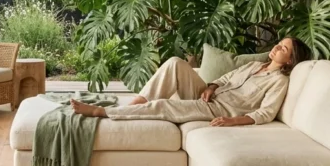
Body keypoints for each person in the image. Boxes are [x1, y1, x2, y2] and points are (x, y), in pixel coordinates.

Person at [70, 37, 312, 127]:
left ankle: (104, 112)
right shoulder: (254, 65)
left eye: (284, 48)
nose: (277, 47)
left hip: (216, 109)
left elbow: (266, 113)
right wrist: (211, 86)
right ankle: (134, 103)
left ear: (290, 60)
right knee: (175, 62)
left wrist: (233, 120)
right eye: (279, 42)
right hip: (208, 95)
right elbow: (226, 77)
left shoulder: (279, 81)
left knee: (164, 105)